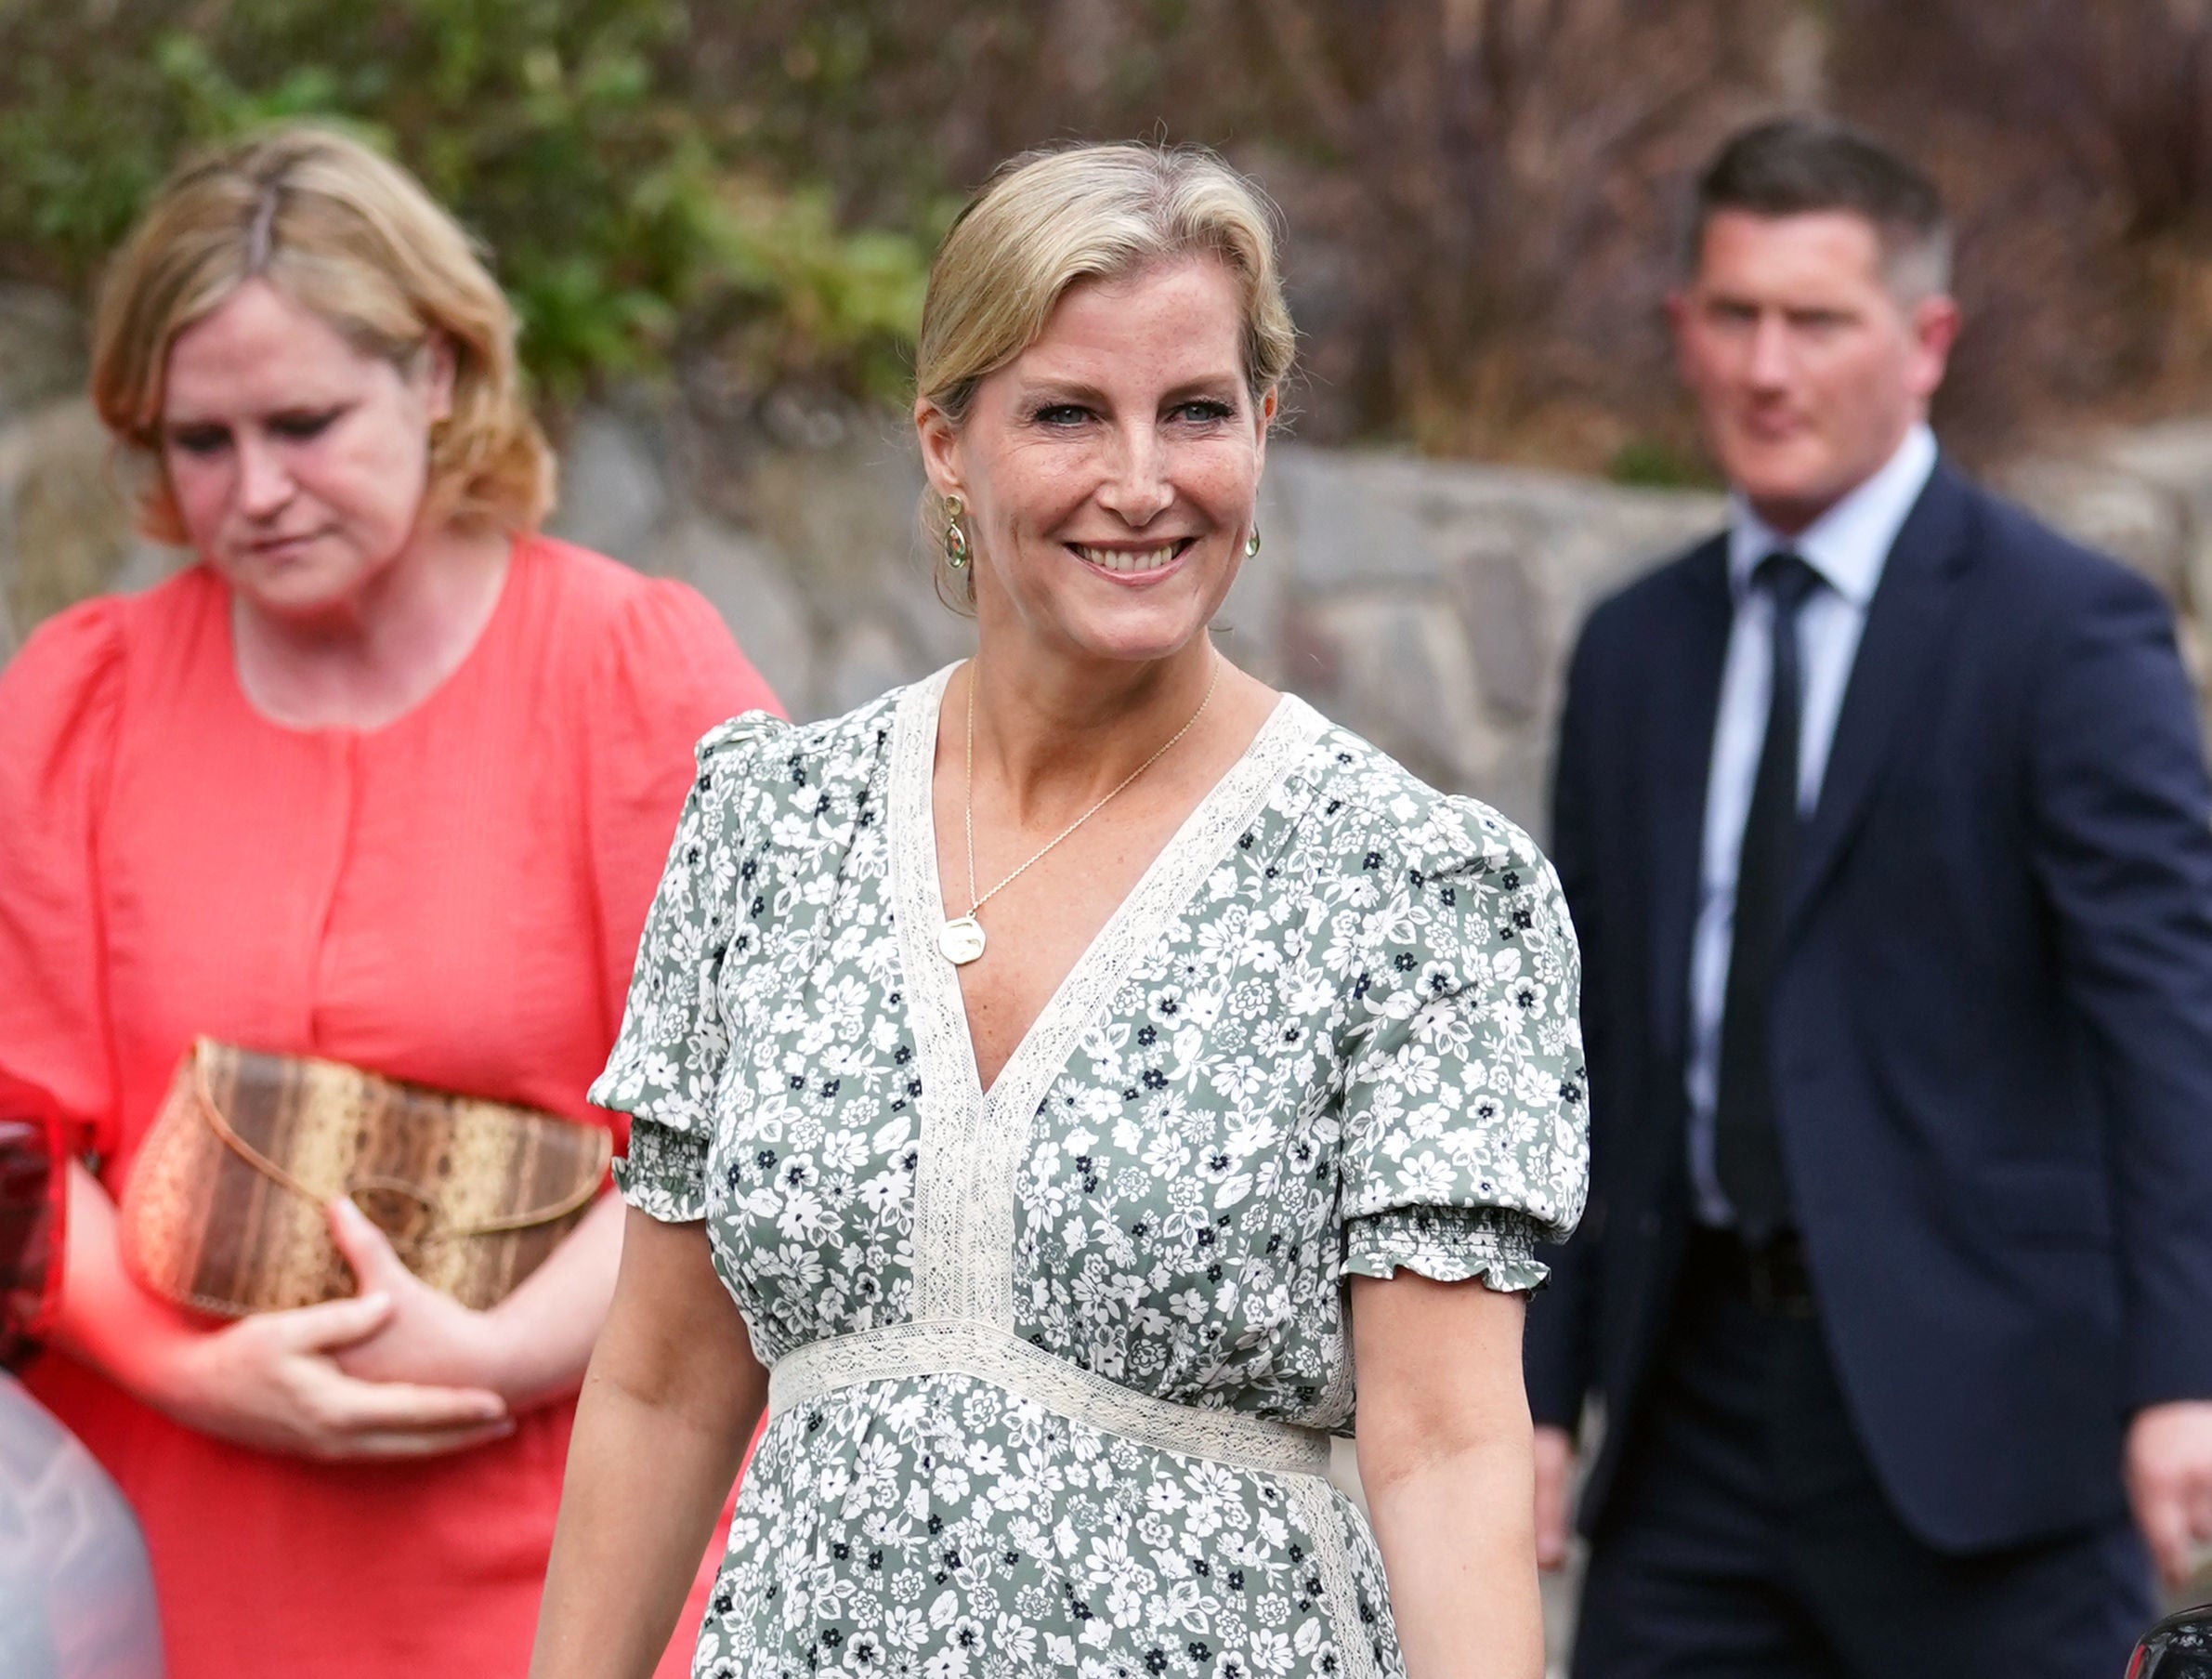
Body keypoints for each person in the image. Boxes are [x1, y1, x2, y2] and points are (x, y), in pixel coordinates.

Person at [531, 140, 1589, 1679]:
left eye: (1197, 412)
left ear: (1264, 425)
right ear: (945, 444)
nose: (1142, 483)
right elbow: (660, 1387)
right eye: (1066, 414)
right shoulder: (769, 828)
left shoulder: (1409, 887)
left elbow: (1444, 1451)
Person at [0, 126, 779, 1679]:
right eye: (198, 441)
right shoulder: (80, 694)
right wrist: (189, 1370)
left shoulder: (638, 671)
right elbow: (14, 1143)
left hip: (573, 1548)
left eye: (304, 421)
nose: (255, 490)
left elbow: (756, 1106)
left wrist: (496, 1356)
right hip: (173, 1560)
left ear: (436, 370)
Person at [1525, 115, 2212, 1677]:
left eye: (1816, 321)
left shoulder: (2066, 631)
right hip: (1684, 1422)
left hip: (1987, 1446)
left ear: (1925, 342)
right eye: (1735, 315)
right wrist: (1535, 1395)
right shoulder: (1631, 651)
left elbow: (2165, 1020)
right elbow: (1585, 1049)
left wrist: (2186, 1374)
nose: (1768, 369)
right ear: (1682, 331)